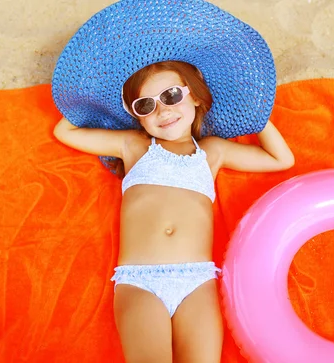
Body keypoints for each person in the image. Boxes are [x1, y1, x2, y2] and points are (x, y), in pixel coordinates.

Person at [53, 59, 294, 362]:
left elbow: (281, 159)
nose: (163, 111)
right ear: (137, 117)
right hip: (141, 281)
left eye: (171, 96)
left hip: (197, 282)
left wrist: (257, 114)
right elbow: (66, 131)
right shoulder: (133, 146)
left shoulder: (212, 152)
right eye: (145, 105)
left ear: (194, 95)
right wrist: (94, 90)